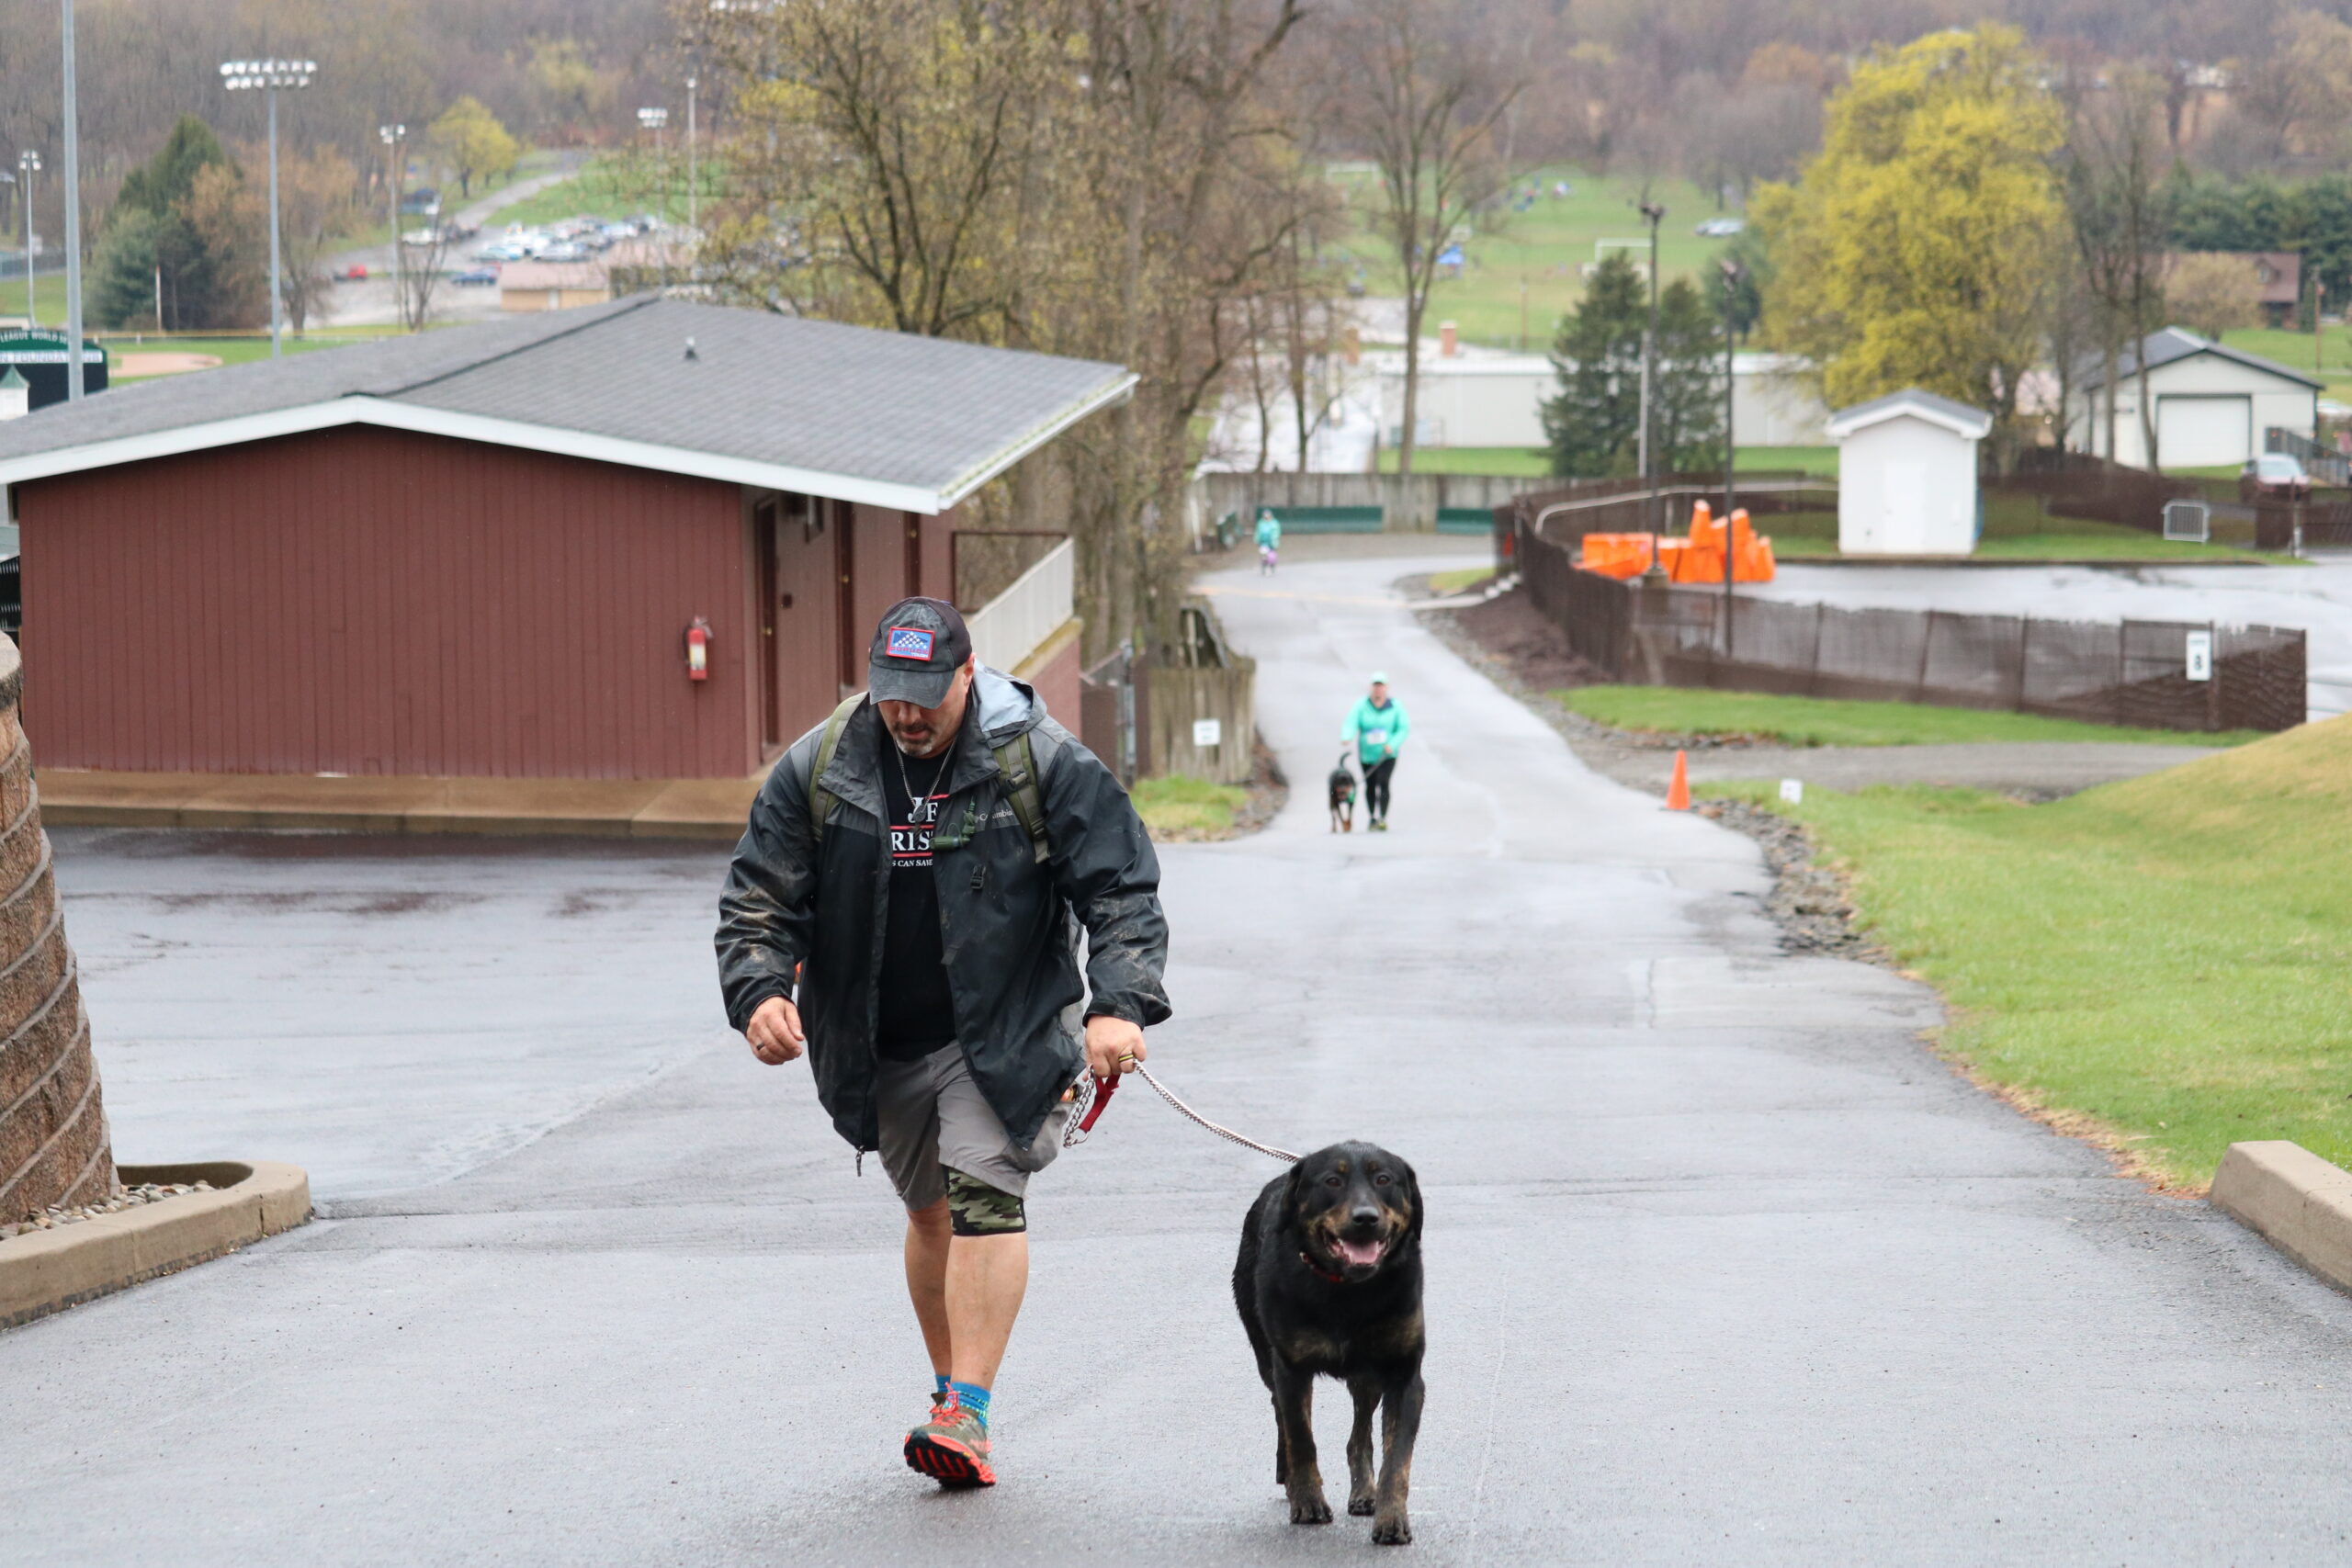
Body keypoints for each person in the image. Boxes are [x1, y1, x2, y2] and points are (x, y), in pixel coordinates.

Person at [717, 597, 1170, 1491]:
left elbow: (1121, 888)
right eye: (891, 692)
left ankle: (967, 1410)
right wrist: (759, 990)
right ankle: (948, 1393)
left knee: (984, 1196)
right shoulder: (823, 764)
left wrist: (1119, 1005)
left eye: (925, 694)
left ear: (967, 674)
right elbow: (758, 895)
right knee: (929, 1212)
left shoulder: (1035, 759)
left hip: (1003, 1029)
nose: (906, 713)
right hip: (877, 1036)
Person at [1341, 672, 1409, 831]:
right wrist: (1346, 736)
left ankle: (1382, 817)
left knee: (1384, 783)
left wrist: (1393, 744)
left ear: (1386, 688)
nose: (1378, 689)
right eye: (1375, 685)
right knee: (1370, 785)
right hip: (1367, 754)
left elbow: (1403, 728)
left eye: (1381, 686)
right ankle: (1372, 817)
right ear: (1371, 687)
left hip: (1387, 754)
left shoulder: (1395, 706)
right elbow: (1351, 721)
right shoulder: (1362, 705)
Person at [1253, 507, 1282, 574]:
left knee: (1272, 556)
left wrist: (1275, 540)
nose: (1267, 517)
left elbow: (1277, 532)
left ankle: (1272, 566)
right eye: (1265, 515)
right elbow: (1258, 532)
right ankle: (1264, 567)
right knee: (1264, 555)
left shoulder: (1275, 523)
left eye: (1268, 515)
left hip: (1272, 542)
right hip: (1263, 542)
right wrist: (1256, 540)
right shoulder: (1261, 523)